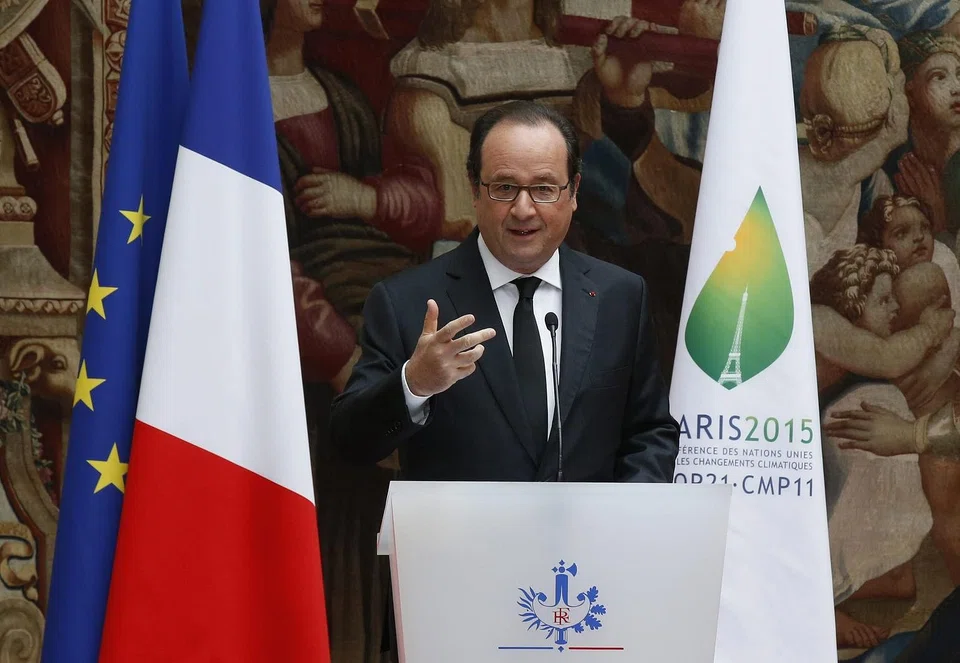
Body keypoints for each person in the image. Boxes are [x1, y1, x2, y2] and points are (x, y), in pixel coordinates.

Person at [329, 100, 679, 482]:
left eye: (543, 188)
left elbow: (649, 434)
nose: (523, 209)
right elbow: (350, 442)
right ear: (474, 189)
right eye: (505, 187)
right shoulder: (406, 301)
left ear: (574, 191)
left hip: (591, 523)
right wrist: (414, 384)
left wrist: (624, 509)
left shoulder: (620, 296)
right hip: (461, 524)